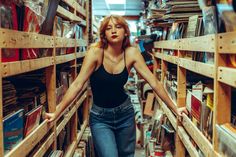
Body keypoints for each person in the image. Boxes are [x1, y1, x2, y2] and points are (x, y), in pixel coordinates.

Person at [45, 15, 187, 157]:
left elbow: (154, 82)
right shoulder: (95, 53)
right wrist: (57, 113)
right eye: (108, 28)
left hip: (125, 114)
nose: (113, 31)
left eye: (118, 27)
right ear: (104, 34)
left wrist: (175, 109)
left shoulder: (131, 53)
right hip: (100, 118)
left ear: (125, 32)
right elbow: (77, 84)